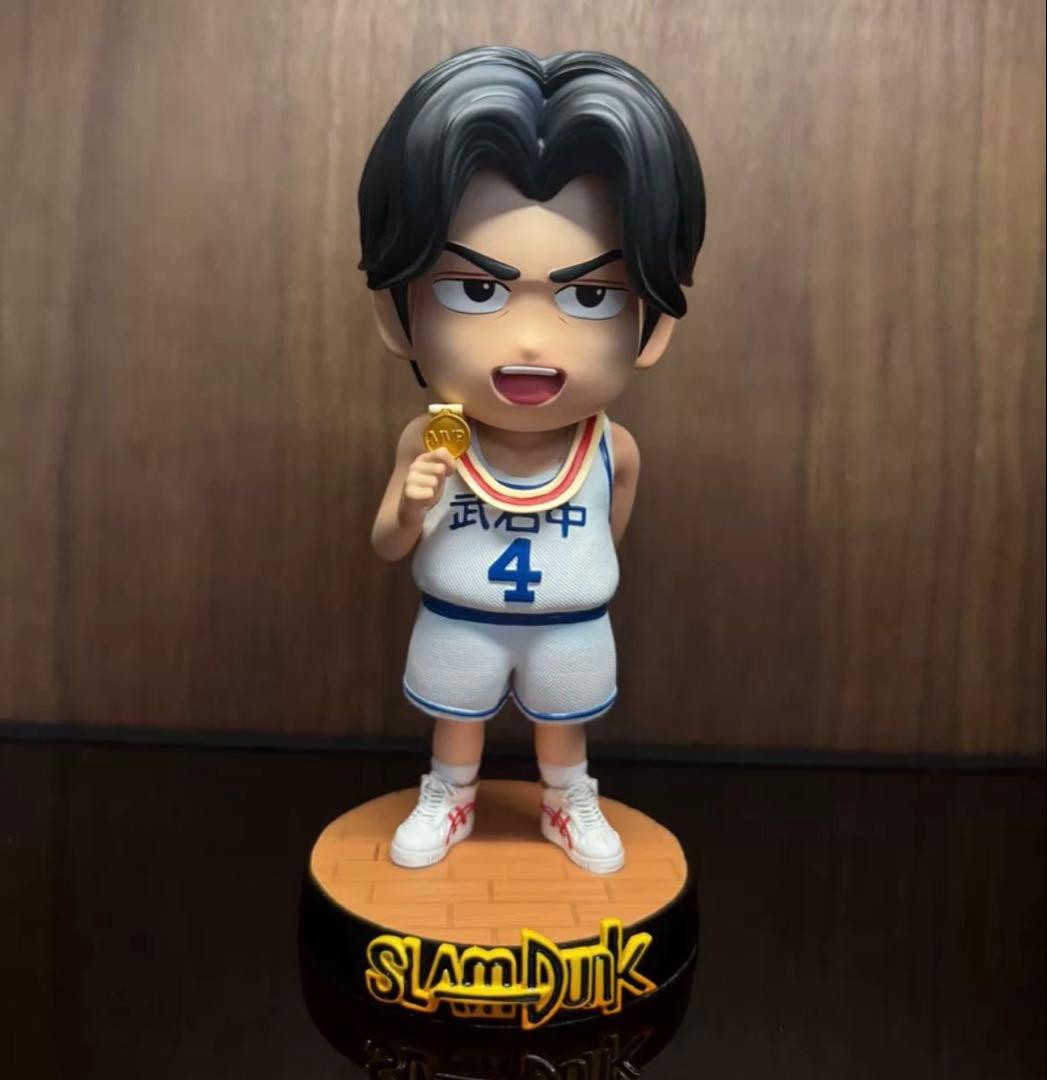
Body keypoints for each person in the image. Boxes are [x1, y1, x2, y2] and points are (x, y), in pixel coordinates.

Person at [361, 47, 705, 873]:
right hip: (459, 617)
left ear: (653, 326)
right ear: (397, 314)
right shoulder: (433, 437)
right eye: (474, 290)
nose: (527, 341)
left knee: (564, 724)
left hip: (568, 624)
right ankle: (449, 793)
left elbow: (605, 536)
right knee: (457, 718)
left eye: (589, 296)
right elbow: (387, 544)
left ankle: (566, 798)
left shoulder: (612, 448)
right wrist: (410, 506)